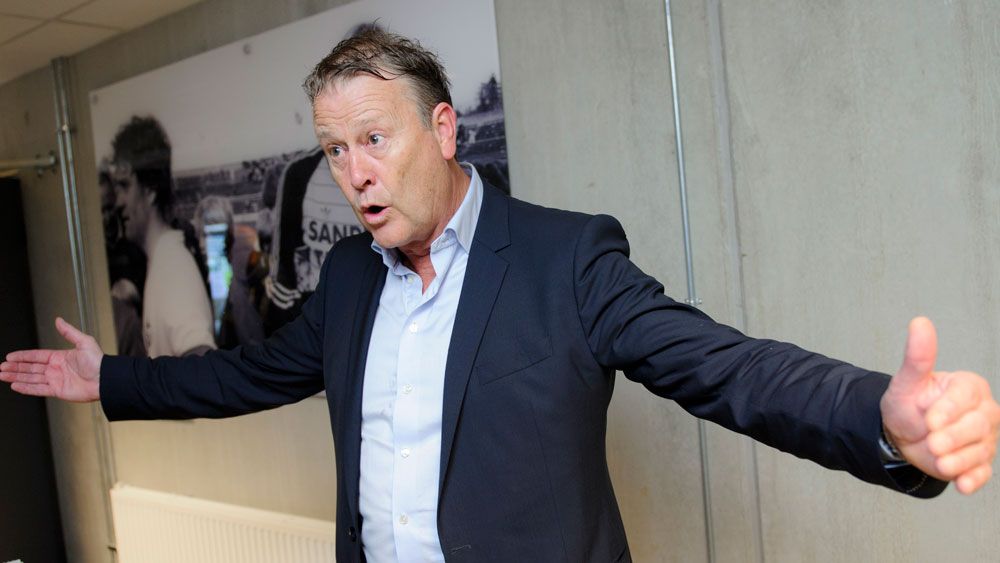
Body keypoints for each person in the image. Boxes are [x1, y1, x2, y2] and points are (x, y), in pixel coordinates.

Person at [3, 29, 999, 563]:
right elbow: (246, 373)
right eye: (334, 149)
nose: (353, 171)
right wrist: (112, 378)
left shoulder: (566, 258)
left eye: (374, 137)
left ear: (442, 129)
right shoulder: (349, 279)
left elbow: (725, 366)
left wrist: (878, 417)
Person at [107, 116, 217, 358]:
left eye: (125, 186)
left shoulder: (172, 265)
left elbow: (200, 358)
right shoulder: (161, 261)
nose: (119, 202)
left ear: (150, 189)